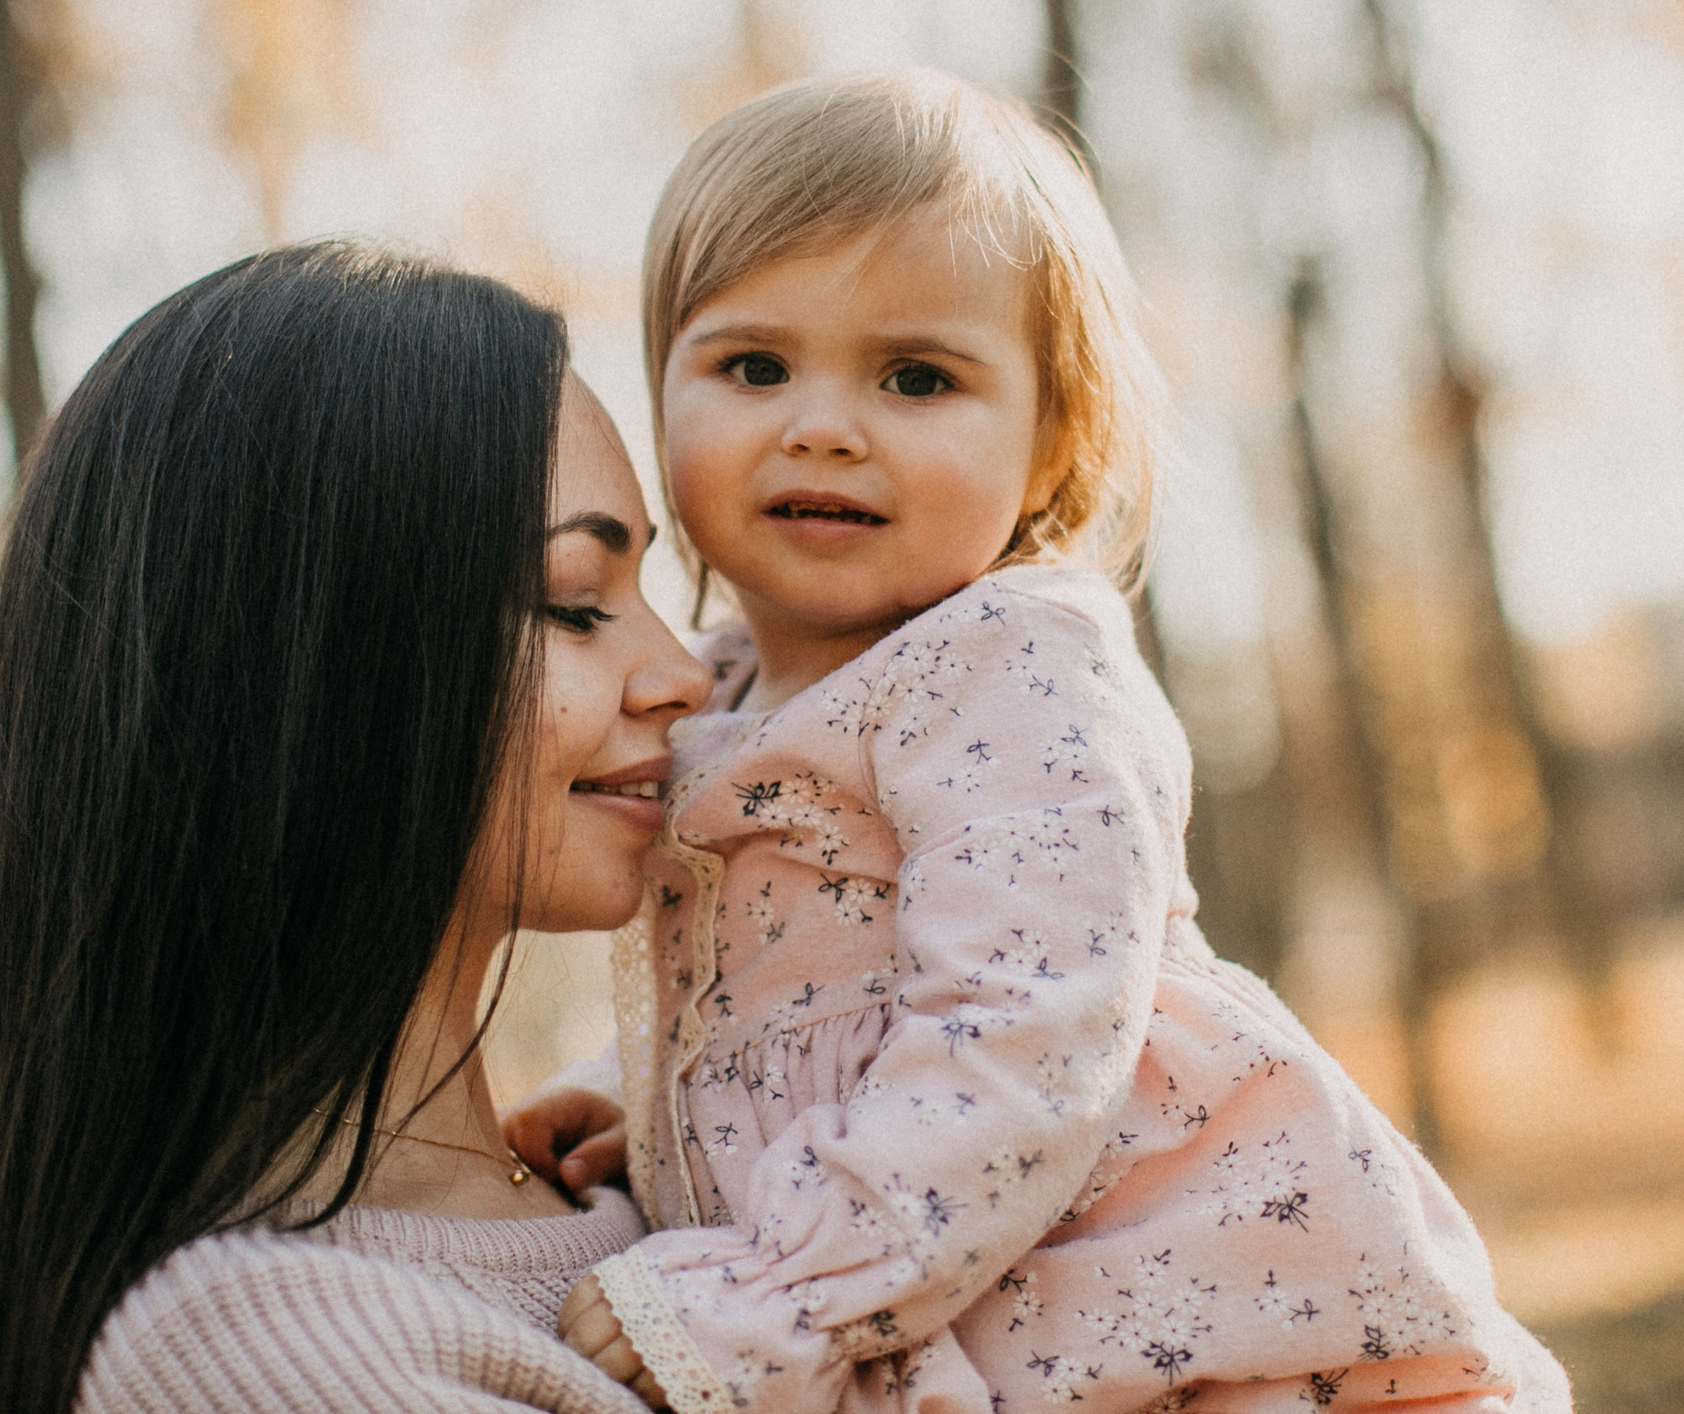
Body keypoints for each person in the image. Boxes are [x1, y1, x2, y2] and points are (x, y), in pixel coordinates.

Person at [509, 72, 1573, 1414]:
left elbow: (1025, 1028)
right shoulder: (700, 691)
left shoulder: (1014, 667)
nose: (823, 422)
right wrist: (636, 1095)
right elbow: (802, 989)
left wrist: (774, 1289)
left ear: (1050, 439)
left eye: (916, 376)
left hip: (1160, 1310)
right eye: (754, 365)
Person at [0, 242, 712, 1414]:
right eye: (575, 603)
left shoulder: (649, 1186)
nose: (684, 673)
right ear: (318, 675)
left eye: (654, 596)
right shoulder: (264, 1359)